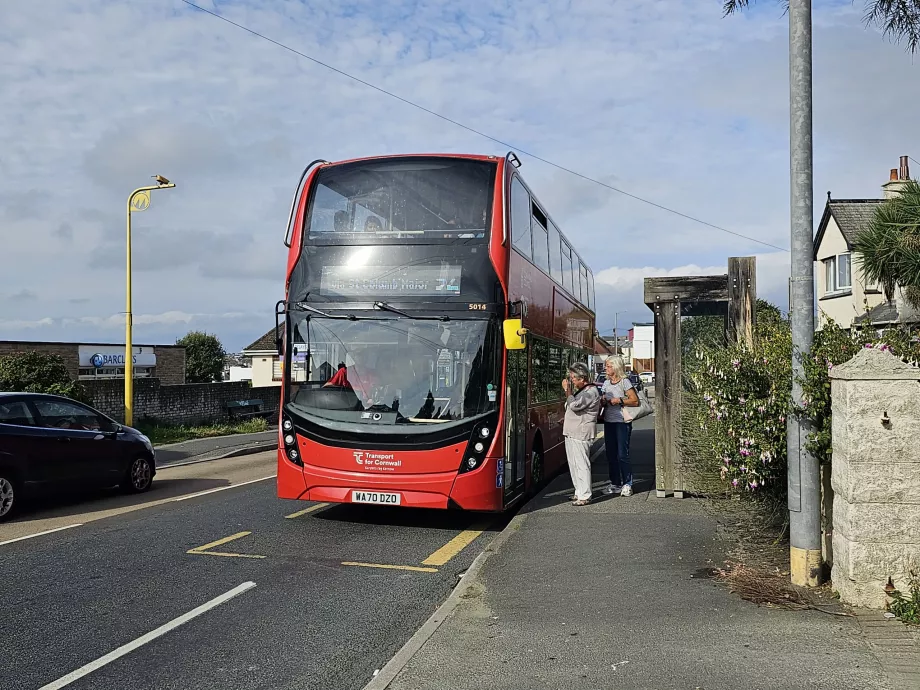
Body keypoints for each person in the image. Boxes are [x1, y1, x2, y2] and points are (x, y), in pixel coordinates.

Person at [562, 362, 601, 506]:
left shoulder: (590, 392)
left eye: (574, 378)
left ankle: (585, 494)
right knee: (573, 463)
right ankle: (579, 491)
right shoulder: (583, 391)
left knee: (582, 463)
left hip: (581, 432)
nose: (571, 380)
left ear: (582, 378)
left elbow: (574, 405)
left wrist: (567, 391)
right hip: (572, 431)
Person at [600, 356, 640, 496]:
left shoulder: (625, 382)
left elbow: (635, 401)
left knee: (623, 454)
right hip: (609, 421)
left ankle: (627, 483)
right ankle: (615, 483)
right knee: (611, 454)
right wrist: (603, 400)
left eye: (609, 366)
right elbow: (603, 401)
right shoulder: (606, 383)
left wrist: (619, 400)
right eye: (606, 366)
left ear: (616, 367)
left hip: (622, 422)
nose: (606, 368)